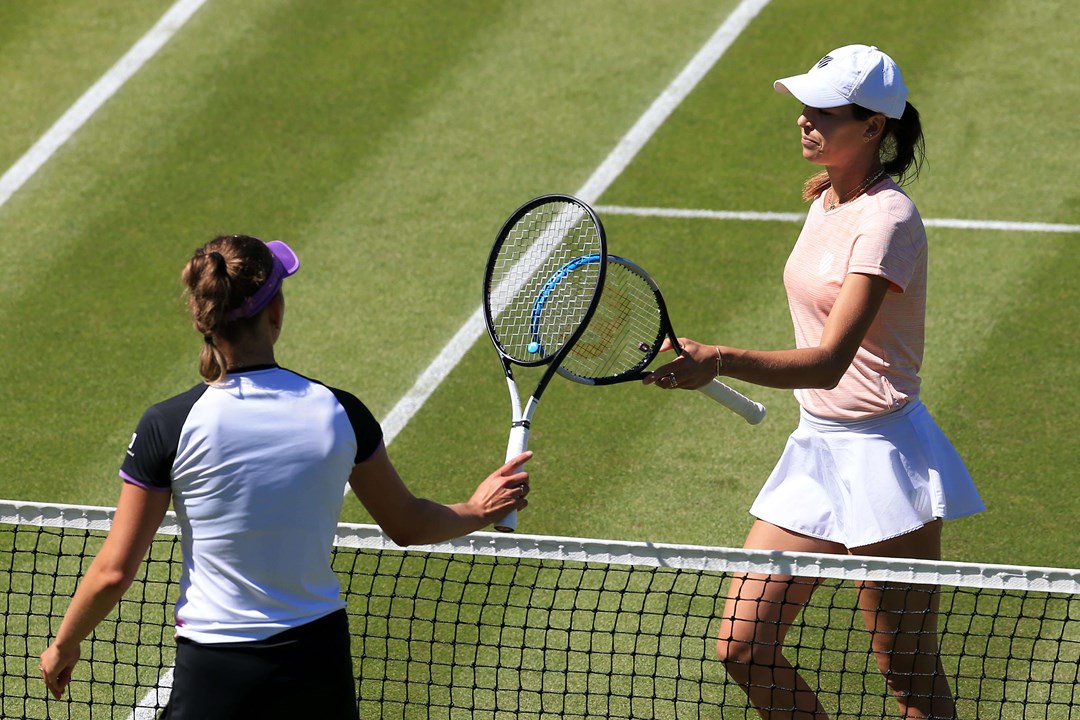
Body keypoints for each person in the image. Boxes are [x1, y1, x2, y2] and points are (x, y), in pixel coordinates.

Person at [39, 234, 533, 719]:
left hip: (215, 669)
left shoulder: (168, 424)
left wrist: (65, 644)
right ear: (275, 313)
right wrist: (476, 509)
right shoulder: (341, 412)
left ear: (203, 319)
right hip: (316, 665)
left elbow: (114, 571)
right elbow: (406, 524)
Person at [644, 45, 984, 719]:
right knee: (742, 646)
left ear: (873, 127)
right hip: (818, 449)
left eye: (825, 112)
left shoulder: (888, 221)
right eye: (805, 107)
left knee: (906, 669)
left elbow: (831, 361)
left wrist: (719, 358)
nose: (805, 120)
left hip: (884, 456)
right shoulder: (827, 196)